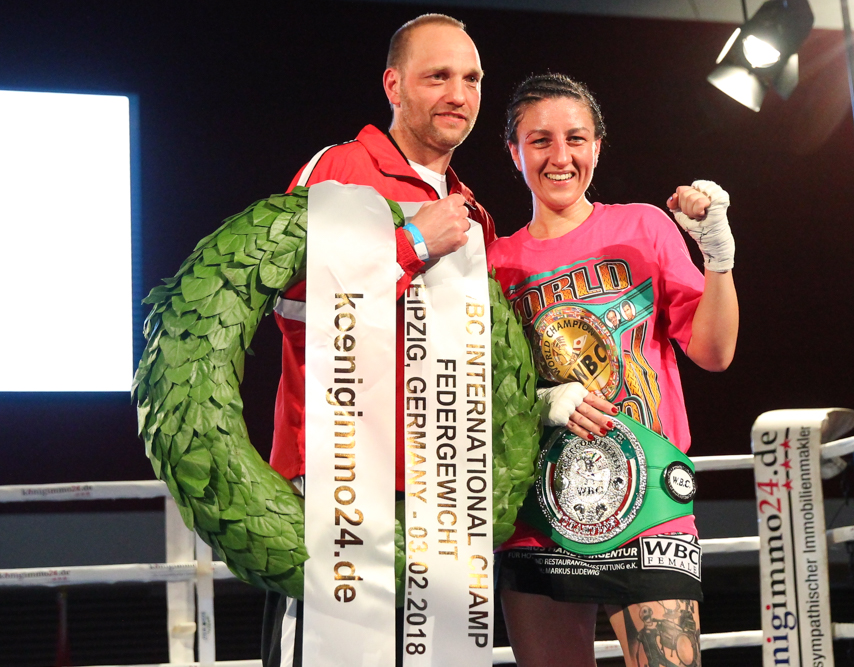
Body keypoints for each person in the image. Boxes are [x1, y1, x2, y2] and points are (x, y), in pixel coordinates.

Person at [261, 14, 496, 667]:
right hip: (339, 479)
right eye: (438, 76)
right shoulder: (341, 168)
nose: (458, 94)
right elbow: (294, 303)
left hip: (449, 489)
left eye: (472, 78)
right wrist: (414, 242)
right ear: (393, 85)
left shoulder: (473, 211)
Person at [487, 73, 738, 667]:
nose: (561, 156)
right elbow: (481, 395)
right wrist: (542, 402)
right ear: (514, 151)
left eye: (576, 138)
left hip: (649, 503)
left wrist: (718, 256)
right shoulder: (493, 263)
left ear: (597, 147)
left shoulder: (643, 227)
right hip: (537, 512)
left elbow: (715, 352)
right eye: (540, 140)